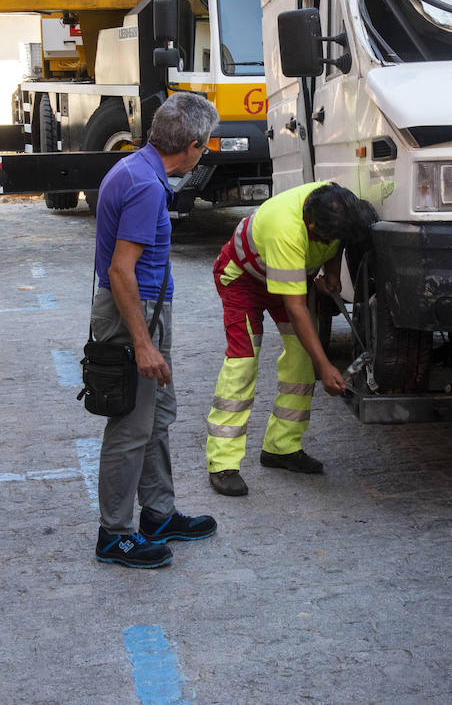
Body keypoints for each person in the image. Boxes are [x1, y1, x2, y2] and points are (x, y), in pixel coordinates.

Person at [91, 92, 220, 568]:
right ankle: (115, 534)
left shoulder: (136, 170)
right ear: (190, 144)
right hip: (134, 314)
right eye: (204, 146)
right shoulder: (146, 185)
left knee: (156, 417)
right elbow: (122, 272)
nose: (203, 153)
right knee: (131, 426)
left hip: (144, 311)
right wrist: (143, 344)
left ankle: (158, 514)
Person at [204, 181, 377, 497]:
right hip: (244, 281)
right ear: (311, 225)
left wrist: (333, 274)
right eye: (323, 236)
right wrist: (325, 366)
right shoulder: (287, 229)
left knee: (300, 359)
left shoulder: (338, 204)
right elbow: (295, 307)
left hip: (290, 277)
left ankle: (281, 447)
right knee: (243, 362)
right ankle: (222, 463)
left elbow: (335, 241)